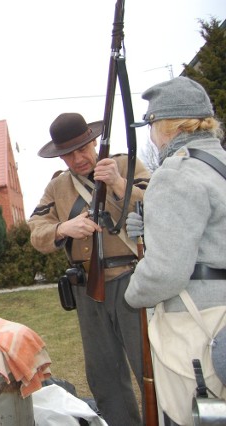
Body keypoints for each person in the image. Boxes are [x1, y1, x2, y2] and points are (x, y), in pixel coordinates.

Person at [27, 112, 150, 426]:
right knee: (104, 371)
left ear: (94, 142)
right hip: (87, 287)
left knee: (149, 364)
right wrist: (63, 228)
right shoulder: (57, 186)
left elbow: (155, 204)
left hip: (131, 279)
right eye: (68, 153)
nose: (77, 158)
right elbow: (36, 231)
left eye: (82, 148)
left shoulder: (125, 165)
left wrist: (119, 184)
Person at [124, 76, 226, 426]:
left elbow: (165, 272)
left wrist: (134, 290)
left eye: (151, 124)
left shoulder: (175, 173)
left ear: (163, 126)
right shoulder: (218, 164)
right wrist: (153, 228)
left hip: (198, 326)